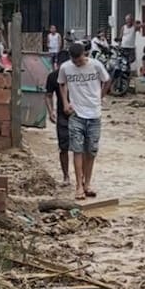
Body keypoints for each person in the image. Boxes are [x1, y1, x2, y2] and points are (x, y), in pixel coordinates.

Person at [58, 41, 110, 201]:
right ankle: (78, 186)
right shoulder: (66, 68)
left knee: (91, 151)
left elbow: (107, 80)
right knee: (77, 150)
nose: (77, 64)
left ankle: (87, 183)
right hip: (76, 115)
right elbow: (61, 84)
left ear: (84, 55)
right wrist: (65, 103)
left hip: (94, 114)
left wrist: (100, 97)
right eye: (75, 61)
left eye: (80, 60)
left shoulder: (96, 65)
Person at [44, 50, 71, 187]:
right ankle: (66, 176)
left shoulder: (77, 76)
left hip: (80, 115)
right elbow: (48, 95)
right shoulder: (53, 76)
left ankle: (82, 177)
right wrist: (51, 111)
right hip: (62, 116)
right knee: (63, 147)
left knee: (81, 148)